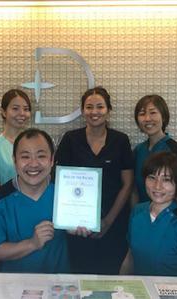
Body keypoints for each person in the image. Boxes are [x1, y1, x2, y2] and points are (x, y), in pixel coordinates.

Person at [55, 86, 133, 274]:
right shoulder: (70, 139)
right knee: (79, 277)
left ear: (108, 110)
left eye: (100, 107)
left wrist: (107, 221)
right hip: (77, 226)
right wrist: (70, 221)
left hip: (113, 224)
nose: (94, 112)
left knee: (110, 277)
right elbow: (59, 181)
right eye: (89, 107)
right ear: (82, 111)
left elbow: (127, 184)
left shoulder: (120, 140)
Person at [0, 128, 69, 273]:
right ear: (14, 160)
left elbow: (92, 225)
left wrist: (84, 229)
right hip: (14, 287)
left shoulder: (66, 191)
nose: (33, 164)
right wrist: (32, 243)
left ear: (52, 160)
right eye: (25, 157)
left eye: (41, 156)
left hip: (61, 287)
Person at [119, 152, 177, 277]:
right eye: (152, 178)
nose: (157, 186)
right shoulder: (137, 212)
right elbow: (130, 255)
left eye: (166, 180)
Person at [132, 94, 177, 204]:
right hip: (142, 214)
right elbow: (133, 187)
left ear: (163, 116)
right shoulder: (138, 150)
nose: (147, 118)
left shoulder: (175, 150)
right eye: (142, 114)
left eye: (153, 112)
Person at [0, 89, 32, 194]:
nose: (22, 113)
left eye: (26, 109)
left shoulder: (34, 144)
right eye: (15, 108)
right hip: (6, 207)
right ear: (3, 112)